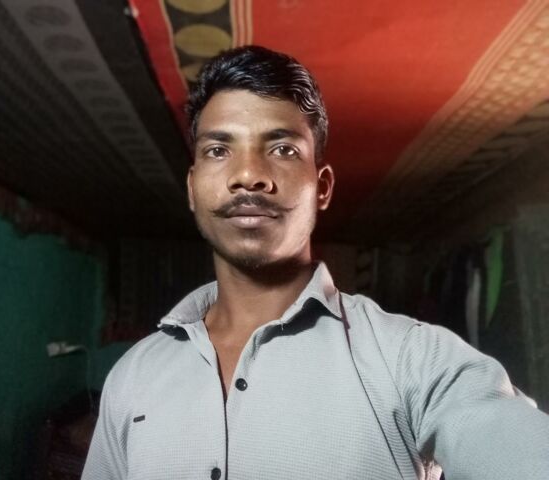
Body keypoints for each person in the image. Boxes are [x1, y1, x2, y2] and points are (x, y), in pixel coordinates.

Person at [82, 46, 549, 480]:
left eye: (282, 149)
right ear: (191, 188)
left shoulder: (413, 360)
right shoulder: (134, 375)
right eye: (218, 150)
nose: (248, 175)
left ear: (322, 188)